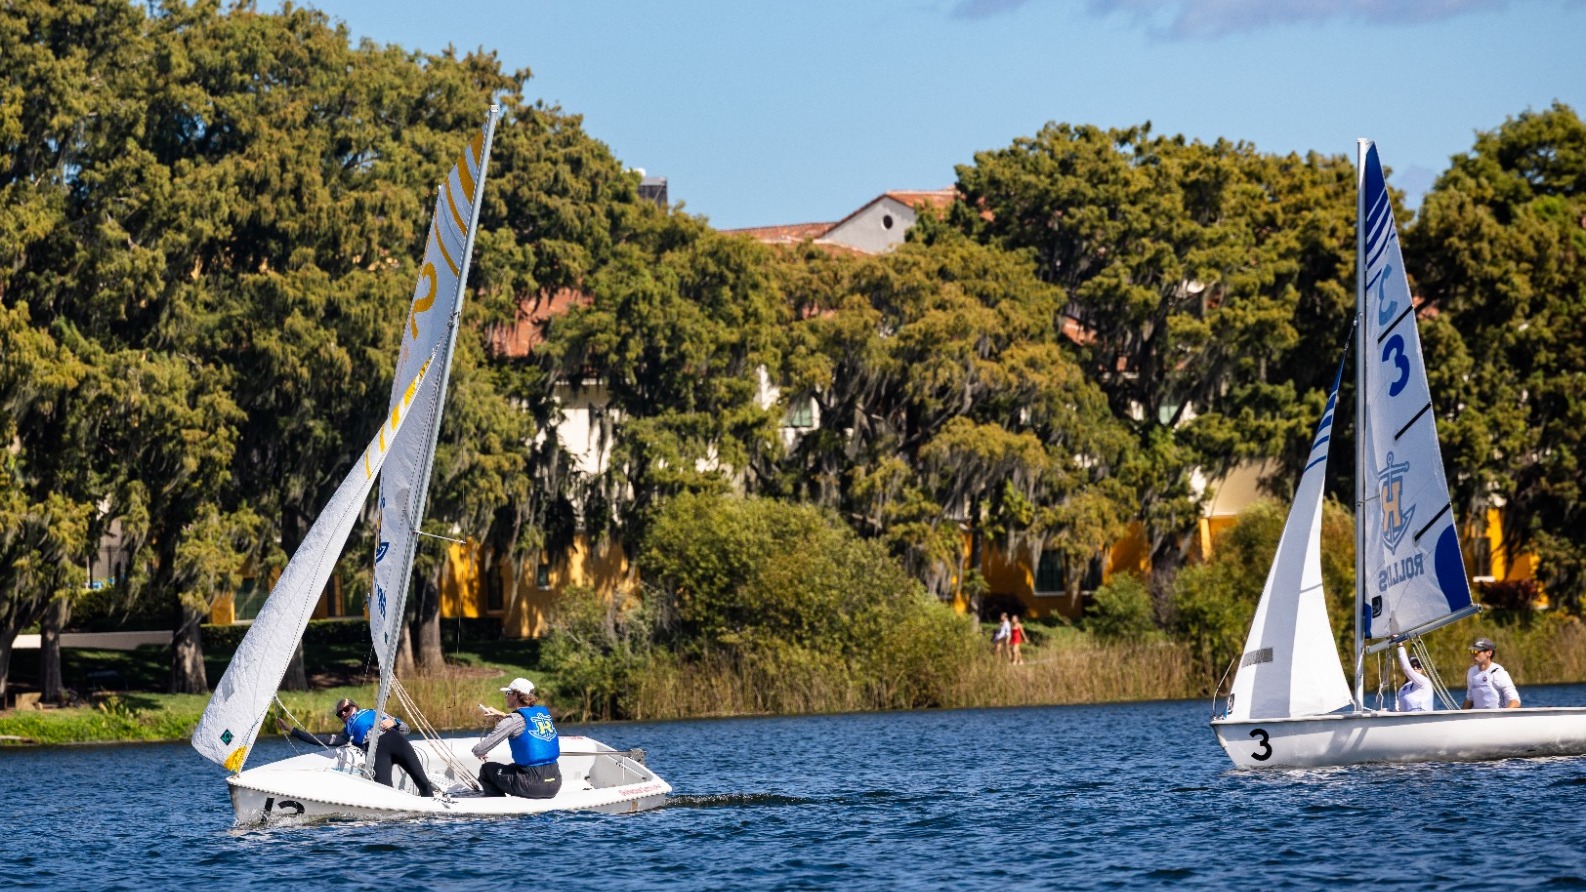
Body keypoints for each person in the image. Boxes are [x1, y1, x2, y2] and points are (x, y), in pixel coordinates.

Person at [276, 698, 435, 797]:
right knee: (385, 792)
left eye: (346, 709)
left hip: (395, 740)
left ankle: (431, 819)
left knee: (423, 783)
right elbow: (321, 739)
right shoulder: (346, 732)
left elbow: (406, 729)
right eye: (340, 714)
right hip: (376, 750)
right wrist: (293, 730)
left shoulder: (374, 712)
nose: (344, 714)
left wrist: (395, 723)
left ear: (355, 707)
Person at [473, 677, 562, 799]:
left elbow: (480, 750)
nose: (505, 697)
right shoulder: (542, 714)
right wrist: (503, 717)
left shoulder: (513, 719)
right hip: (554, 784)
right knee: (512, 767)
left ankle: (499, 810)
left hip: (531, 786)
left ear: (515, 695)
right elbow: (523, 725)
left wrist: (477, 751)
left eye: (507, 693)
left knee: (487, 770)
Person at [1462, 636, 1521, 709]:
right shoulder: (1472, 672)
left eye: (1477, 651)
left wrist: (1503, 717)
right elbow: (1469, 699)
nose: (1474, 654)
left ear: (1489, 653)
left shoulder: (1498, 672)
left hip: (1497, 716)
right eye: (1472, 651)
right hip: (1477, 717)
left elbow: (1515, 701)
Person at [1395, 644, 1434, 712]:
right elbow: (1398, 711)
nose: (1415, 668)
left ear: (1422, 668)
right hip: (1405, 721)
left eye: (1418, 665)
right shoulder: (1403, 688)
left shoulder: (1424, 682)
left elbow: (1406, 668)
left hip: (1423, 720)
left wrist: (1400, 647)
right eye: (1412, 665)